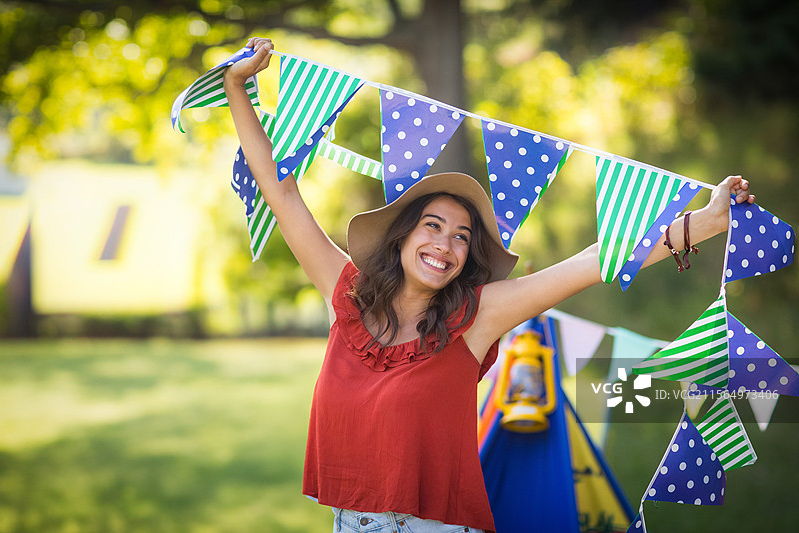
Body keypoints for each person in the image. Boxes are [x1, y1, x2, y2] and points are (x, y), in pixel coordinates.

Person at [223, 37, 755, 533]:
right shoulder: (348, 297)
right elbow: (281, 191)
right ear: (403, 236)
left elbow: (597, 260)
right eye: (432, 226)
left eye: (461, 238)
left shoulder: (478, 316)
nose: (445, 245)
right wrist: (237, 87)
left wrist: (703, 224)